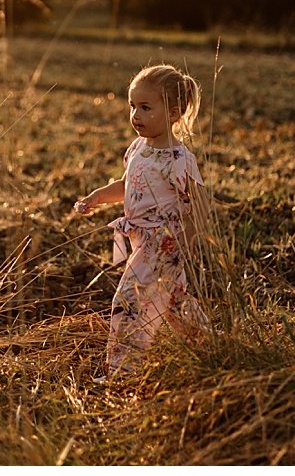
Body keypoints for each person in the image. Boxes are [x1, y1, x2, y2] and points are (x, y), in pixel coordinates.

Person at [75, 64, 208, 373]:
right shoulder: (138, 148)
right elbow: (126, 185)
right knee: (174, 306)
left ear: (174, 113)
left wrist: (185, 243)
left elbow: (199, 205)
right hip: (140, 242)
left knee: (128, 302)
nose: (135, 114)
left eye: (146, 107)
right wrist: (96, 197)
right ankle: (210, 348)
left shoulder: (179, 159)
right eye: (132, 105)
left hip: (162, 245)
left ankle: (123, 372)